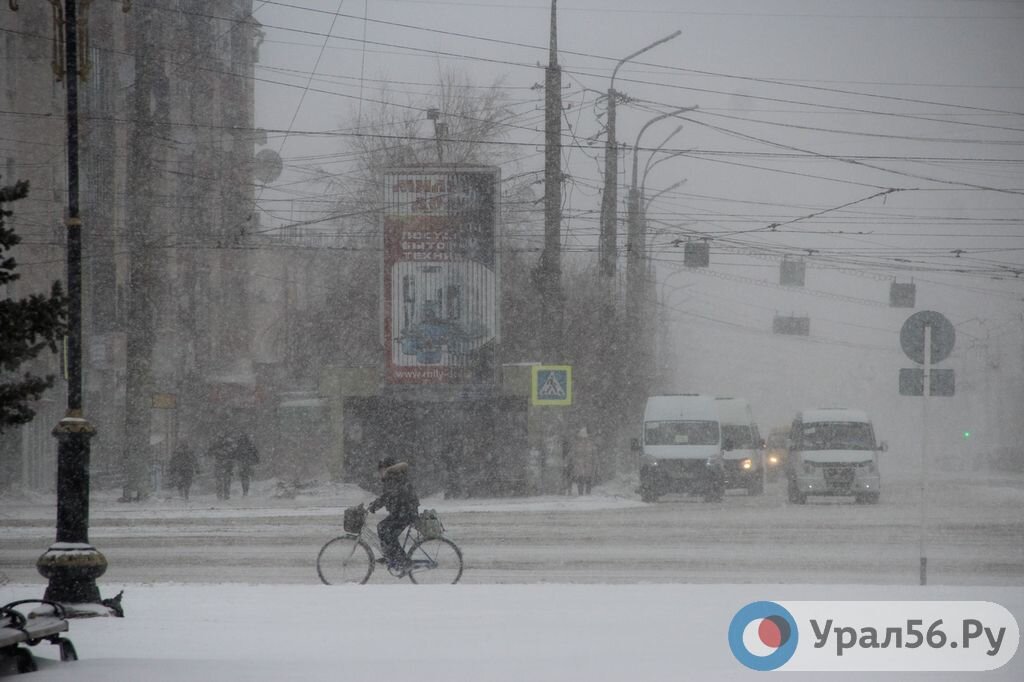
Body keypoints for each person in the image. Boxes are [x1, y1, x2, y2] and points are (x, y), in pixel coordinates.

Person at [367, 457, 420, 573]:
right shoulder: (394, 476)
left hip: (405, 513)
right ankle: (390, 556)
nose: (379, 473)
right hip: (403, 511)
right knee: (383, 528)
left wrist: (375, 506)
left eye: (380, 470)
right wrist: (375, 504)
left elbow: (388, 495)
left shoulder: (392, 477)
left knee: (387, 532)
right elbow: (389, 495)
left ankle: (404, 562)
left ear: (386, 469)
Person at [208, 432, 235, 500]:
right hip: (226, 464)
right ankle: (226, 494)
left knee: (220, 480)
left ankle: (220, 494)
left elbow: (209, 452)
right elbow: (233, 454)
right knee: (226, 480)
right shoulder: (228, 444)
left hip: (220, 463)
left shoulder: (216, 444)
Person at [570, 426, 597, 495]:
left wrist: (595, 462)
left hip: (588, 464)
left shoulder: (591, 443)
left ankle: (588, 493)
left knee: (588, 479)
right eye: (582, 437)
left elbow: (594, 454)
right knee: (581, 479)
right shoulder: (577, 444)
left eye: (584, 437)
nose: (583, 439)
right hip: (580, 464)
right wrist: (574, 462)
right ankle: (581, 494)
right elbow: (573, 453)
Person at [233, 433, 260, 497]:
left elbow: (235, 454)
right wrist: (256, 461)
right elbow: (256, 453)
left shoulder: (239, 445)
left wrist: (236, 459)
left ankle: (244, 490)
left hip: (241, 463)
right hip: (248, 463)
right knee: (247, 477)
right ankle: (246, 491)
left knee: (243, 477)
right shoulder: (250, 445)